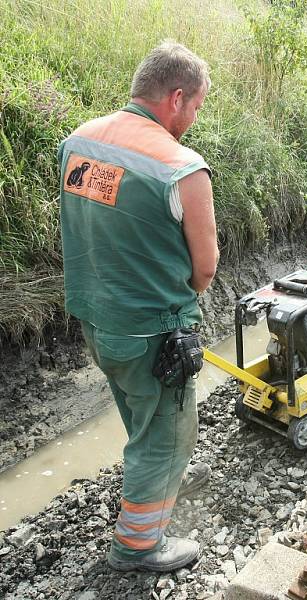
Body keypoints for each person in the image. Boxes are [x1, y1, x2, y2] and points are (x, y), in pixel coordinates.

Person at [58, 41, 218, 572]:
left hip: (95, 317)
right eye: (196, 107)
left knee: (138, 415)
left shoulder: (78, 141)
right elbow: (205, 270)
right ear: (176, 98)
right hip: (154, 331)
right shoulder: (182, 167)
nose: (194, 119)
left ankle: (143, 492)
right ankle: (139, 546)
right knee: (168, 436)